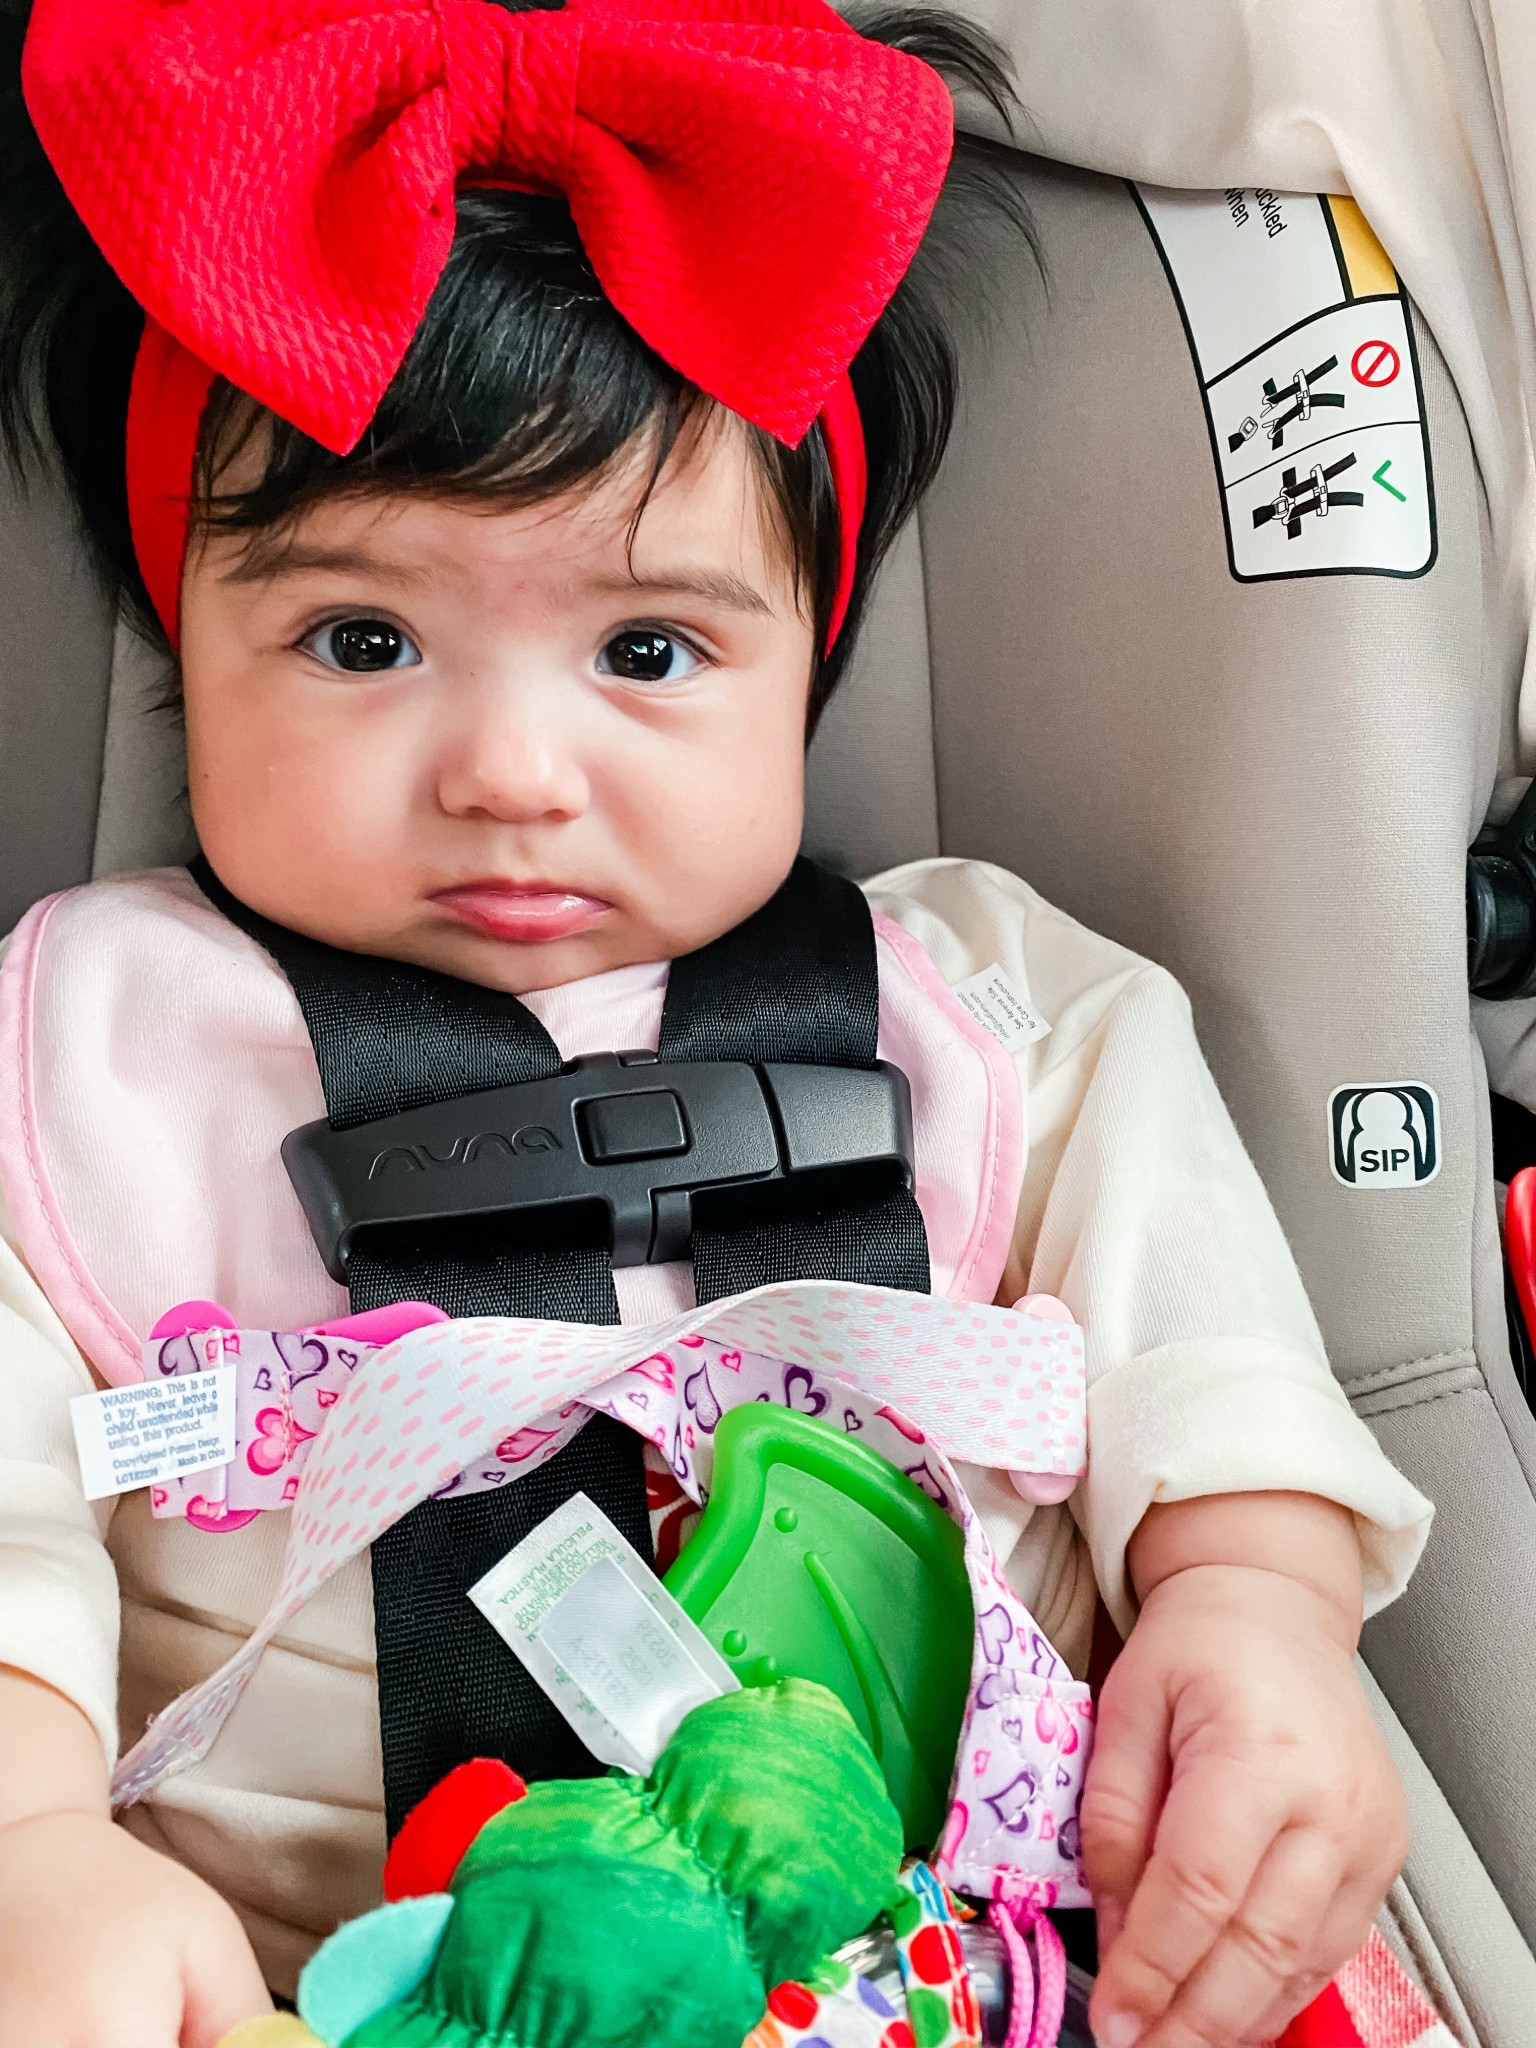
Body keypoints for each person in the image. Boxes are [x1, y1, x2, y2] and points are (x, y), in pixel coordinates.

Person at [0, 0, 1431, 2044]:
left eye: (648, 647)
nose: (507, 765)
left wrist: (1254, 1605)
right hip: (303, 1973)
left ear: (808, 663)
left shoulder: (988, 1005)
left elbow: (1201, 1339)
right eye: (360, 638)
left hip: (985, 1934)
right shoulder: (95, 1049)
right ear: (185, 642)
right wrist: (31, 1842)